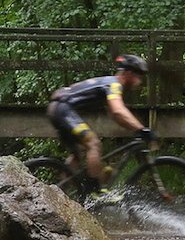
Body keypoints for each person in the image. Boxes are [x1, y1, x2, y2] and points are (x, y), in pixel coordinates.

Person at [46, 53, 157, 195]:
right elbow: (118, 111)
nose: (139, 82)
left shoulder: (108, 82)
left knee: (77, 154)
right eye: (138, 77)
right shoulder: (114, 84)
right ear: (129, 74)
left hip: (57, 108)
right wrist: (142, 129)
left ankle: (59, 193)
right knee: (94, 144)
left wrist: (135, 129)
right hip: (62, 109)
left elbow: (115, 116)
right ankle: (95, 193)